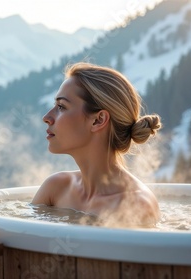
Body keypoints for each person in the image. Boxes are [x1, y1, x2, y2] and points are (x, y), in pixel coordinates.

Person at [32, 62, 162, 228]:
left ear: (98, 120)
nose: (47, 117)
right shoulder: (56, 188)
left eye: (61, 107)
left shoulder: (136, 205)